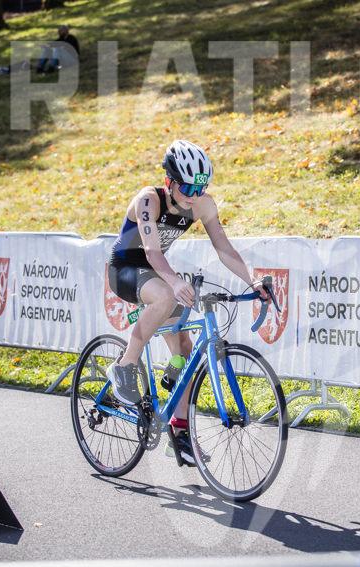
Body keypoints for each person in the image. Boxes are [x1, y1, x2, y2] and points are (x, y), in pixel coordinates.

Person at [107, 140, 268, 466]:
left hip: (156, 274)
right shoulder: (148, 200)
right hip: (124, 270)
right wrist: (176, 281)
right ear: (169, 181)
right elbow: (151, 252)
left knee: (185, 350)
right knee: (166, 295)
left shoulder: (202, 205)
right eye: (187, 187)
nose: (194, 195)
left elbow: (223, 248)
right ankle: (124, 367)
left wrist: (253, 281)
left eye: (200, 187)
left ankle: (179, 435)